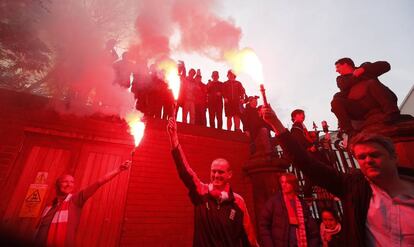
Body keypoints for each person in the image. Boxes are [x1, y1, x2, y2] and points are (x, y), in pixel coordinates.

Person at [261, 105, 414, 246]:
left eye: (374, 154)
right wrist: (276, 124)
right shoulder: (354, 187)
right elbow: (305, 162)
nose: (368, 160)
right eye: (361, 157)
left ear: (394, 156)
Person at [167, 118, 258, 247]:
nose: (216, 175)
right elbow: (185, 172)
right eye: (213, 171)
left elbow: (248, 236)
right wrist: (174, 139)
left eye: (220, 172)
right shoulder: (201, 192)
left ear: (229, 174)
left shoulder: (238, 202)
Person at [34, 161, 131, 247]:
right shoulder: (50, 205)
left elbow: (98, 183)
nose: (69, 184)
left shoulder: (75, 200)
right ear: (58, 185)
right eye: (65, 182)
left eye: (72, 182)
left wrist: (118, 169)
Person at [331, 58, 411, 135]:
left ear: (345, 64)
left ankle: (392, 112)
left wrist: (364, 69)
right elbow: (344, 86)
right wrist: (355, 76)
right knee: (336, 102)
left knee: (371, 83)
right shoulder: (341, 79)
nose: (337, 70)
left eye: (338, 67)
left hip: (377, 100)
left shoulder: (365, 68)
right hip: (360, 107)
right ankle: (348, 131)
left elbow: (386, 65)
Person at [259, 173, 320, 247]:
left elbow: (312, 230)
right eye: (282, 182)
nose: (283, 185)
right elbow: (263, 225)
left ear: (293, 184)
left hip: (300, 242)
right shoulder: (274, 202)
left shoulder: (302, 203)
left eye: (287, 182)